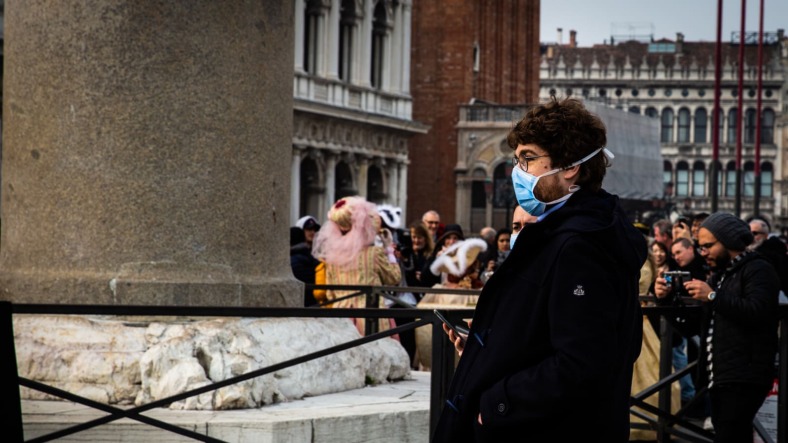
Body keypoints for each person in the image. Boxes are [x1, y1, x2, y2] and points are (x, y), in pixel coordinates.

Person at [433, 97, 646, 442]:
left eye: (528, 159)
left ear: (569, 166)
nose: (519, 172)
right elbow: (545, 330)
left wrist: (498, 405)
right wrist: (490, 345)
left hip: (534, 429)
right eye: (517, 160)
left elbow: (582, 362)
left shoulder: (582, 245)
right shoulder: (561, 233)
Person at [655, 212, 779, 441]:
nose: (704, 253)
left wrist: (711, 296)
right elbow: (692, 327)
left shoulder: (758, 269)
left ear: (728, 241)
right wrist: (665, 299)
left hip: (745, 374)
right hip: (720, 376)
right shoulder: (722, 276)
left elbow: (757, 311)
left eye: (708, 246)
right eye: (700, 247)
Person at [311, 196, 402, 335]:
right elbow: (394, 278)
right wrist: (389, 249)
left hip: (340, 321)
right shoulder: (373, 253)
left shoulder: (331, 257)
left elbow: (330, 293)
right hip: (370, 318)